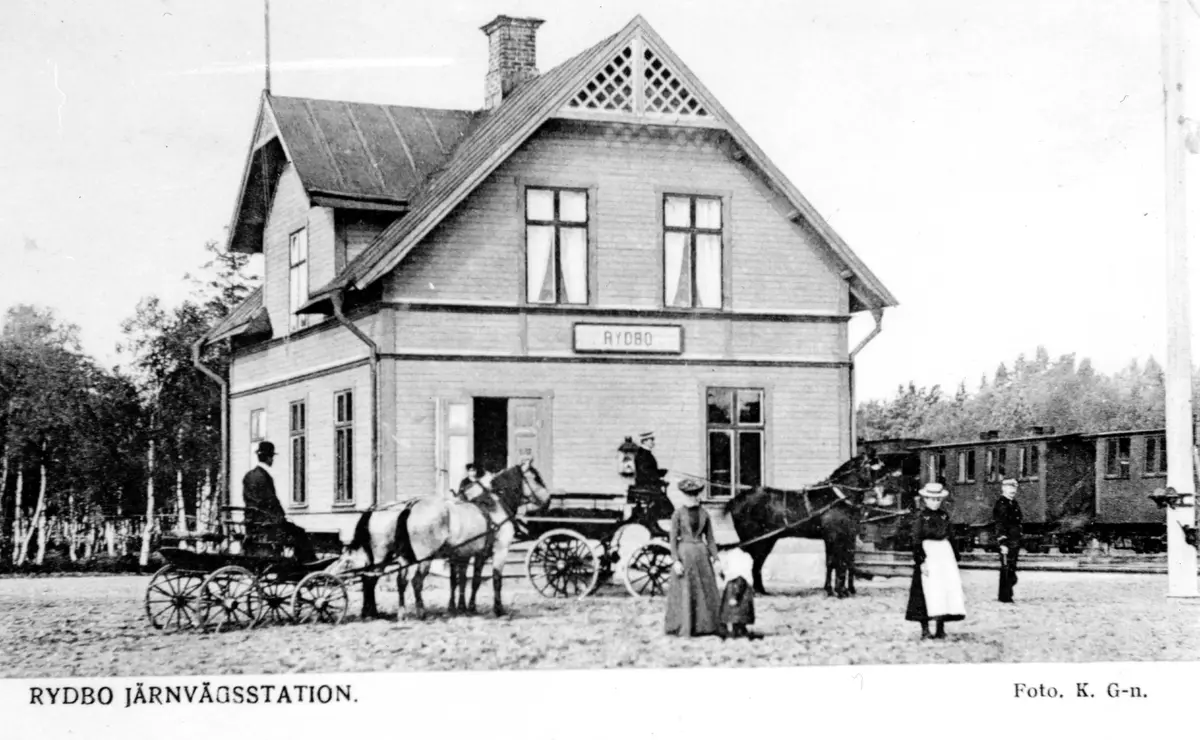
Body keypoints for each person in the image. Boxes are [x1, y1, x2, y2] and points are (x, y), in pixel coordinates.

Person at [905, 482, 965, 640]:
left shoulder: (944, 516)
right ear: (925, 499)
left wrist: (955, 555)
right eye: (932, 499)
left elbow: (951, 536)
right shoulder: (920, 517)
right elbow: (916, 540)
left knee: (943, 590)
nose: (935, 502)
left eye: (938, 499)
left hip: (944, 555)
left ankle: (940, 628)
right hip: (928, 554)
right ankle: (925, 629)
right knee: (925, 591)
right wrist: (921, 561)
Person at [664, 478, 724, 637]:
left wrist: (716, 559)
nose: (693, 497)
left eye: (695, 494)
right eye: (689, 494)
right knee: (686, 591)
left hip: (702, 556)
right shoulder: (677, 514)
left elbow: (710, 539)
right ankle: (685, 626)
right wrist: (675, 561)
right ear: (684, 495)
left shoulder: (704, 514)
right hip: (685, 555)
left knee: (704, 591)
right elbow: (672, 539)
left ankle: (705, 627)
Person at [240, 441, 313, 561]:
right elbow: (271, 501)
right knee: (300, 533)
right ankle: (306, 564)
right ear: (269, 458)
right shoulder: (265, 477)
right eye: (272, 457)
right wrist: (282, 516)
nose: (272, 460)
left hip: (252, 523)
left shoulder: (249, 476)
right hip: (268, 525)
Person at [994, 477, 1023, 603]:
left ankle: (1007, 594)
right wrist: (1002, 543)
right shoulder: (1002, 504)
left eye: (1014, 488)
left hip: (1014, 540)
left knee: (1011, 567)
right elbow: (1000, 524)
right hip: (1008, 541)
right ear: (1003, 489)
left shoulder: (1013, 503)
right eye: (1010, 488)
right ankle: (1005, 596)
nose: (1013, 490)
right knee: (1007, 568)